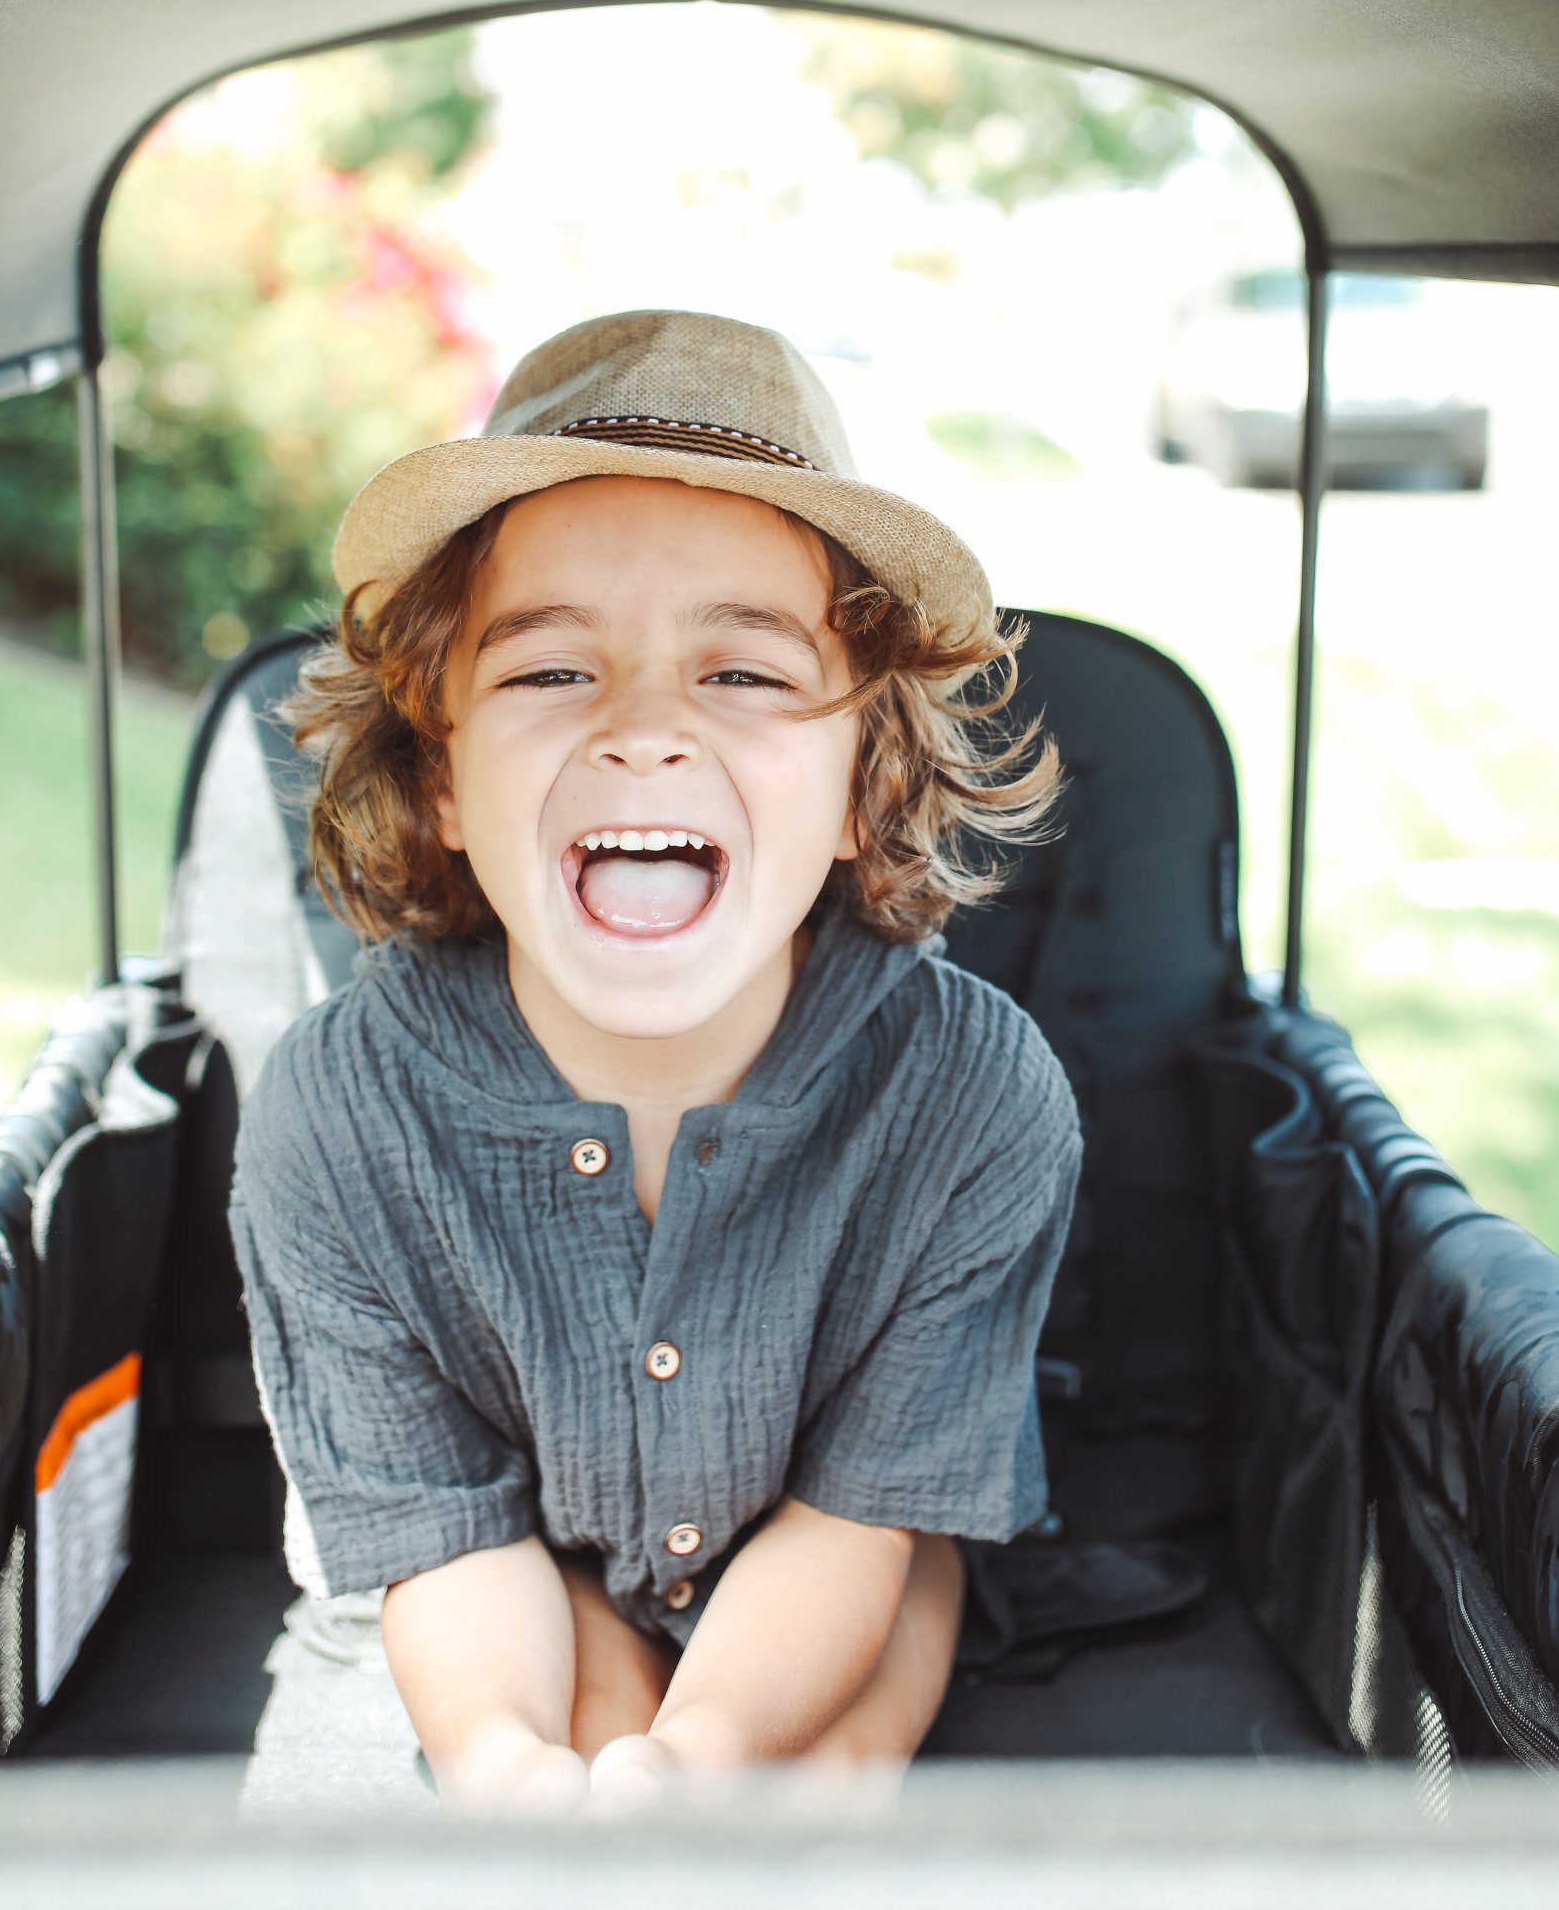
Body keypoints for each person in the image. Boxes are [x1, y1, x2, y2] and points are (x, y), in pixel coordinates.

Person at [229, 306, 1080, 1812]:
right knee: (558, 1737)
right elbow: (452, 1537)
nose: (644, 732)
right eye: (552, 673)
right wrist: (504, 1766)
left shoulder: (972, 1095)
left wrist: (702, 1764)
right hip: (524, 1550)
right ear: (441, 779)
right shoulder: (333, 1117)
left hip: (848, 1535)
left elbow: (862, 1525)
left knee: (836, 1752)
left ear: (857, 786)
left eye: (744, 677)